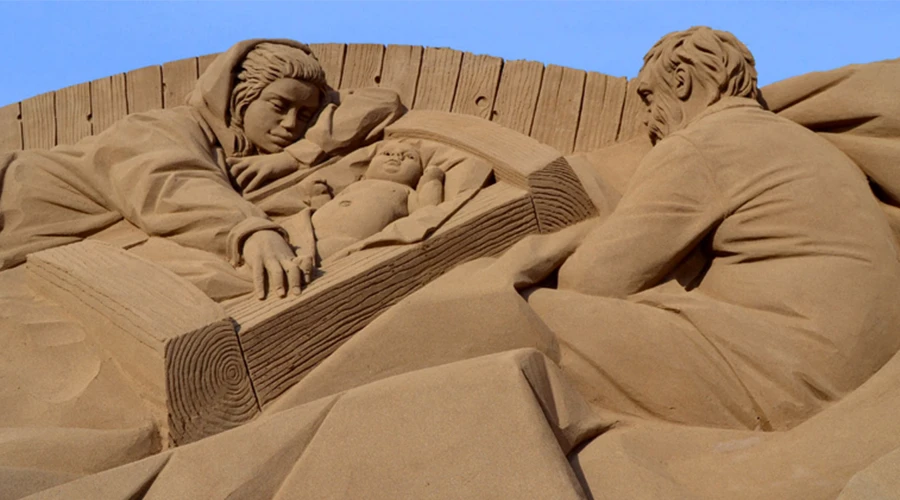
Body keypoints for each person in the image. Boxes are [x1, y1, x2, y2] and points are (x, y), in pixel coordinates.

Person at [0, 39, 405, 299]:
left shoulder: (245, 157)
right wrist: (252, 231)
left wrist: (298, 153)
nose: (290, 124)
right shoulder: (163, 126)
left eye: (304, 115)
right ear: (240, 99)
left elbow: (384, 102)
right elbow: (169, 183)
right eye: (279, 106)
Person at [309, 139, 445, 260]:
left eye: (409, 157)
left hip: (347, 241)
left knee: (321, 253)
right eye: (387, 153)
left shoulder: (405, 191)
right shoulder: (356, 185)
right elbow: (328, 206)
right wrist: (320, 197)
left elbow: (426, 210)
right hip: (311, 231)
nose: (396, 156)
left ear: (419, 174)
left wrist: (432, 180)